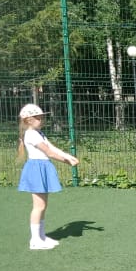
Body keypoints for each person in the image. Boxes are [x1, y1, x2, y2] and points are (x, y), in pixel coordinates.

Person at [17, 103, 79, 250]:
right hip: (36, 169)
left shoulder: (38, 133)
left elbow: (51, 147)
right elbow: (49, 152)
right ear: (29, 120)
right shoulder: (31, 134)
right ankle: (35, 240)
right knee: (38, 206)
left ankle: (41, 236)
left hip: (42, 167)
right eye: (38, 118)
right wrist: (67, 161)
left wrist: (68, 156)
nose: (42, 120)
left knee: (43, 206)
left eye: (42, 117)